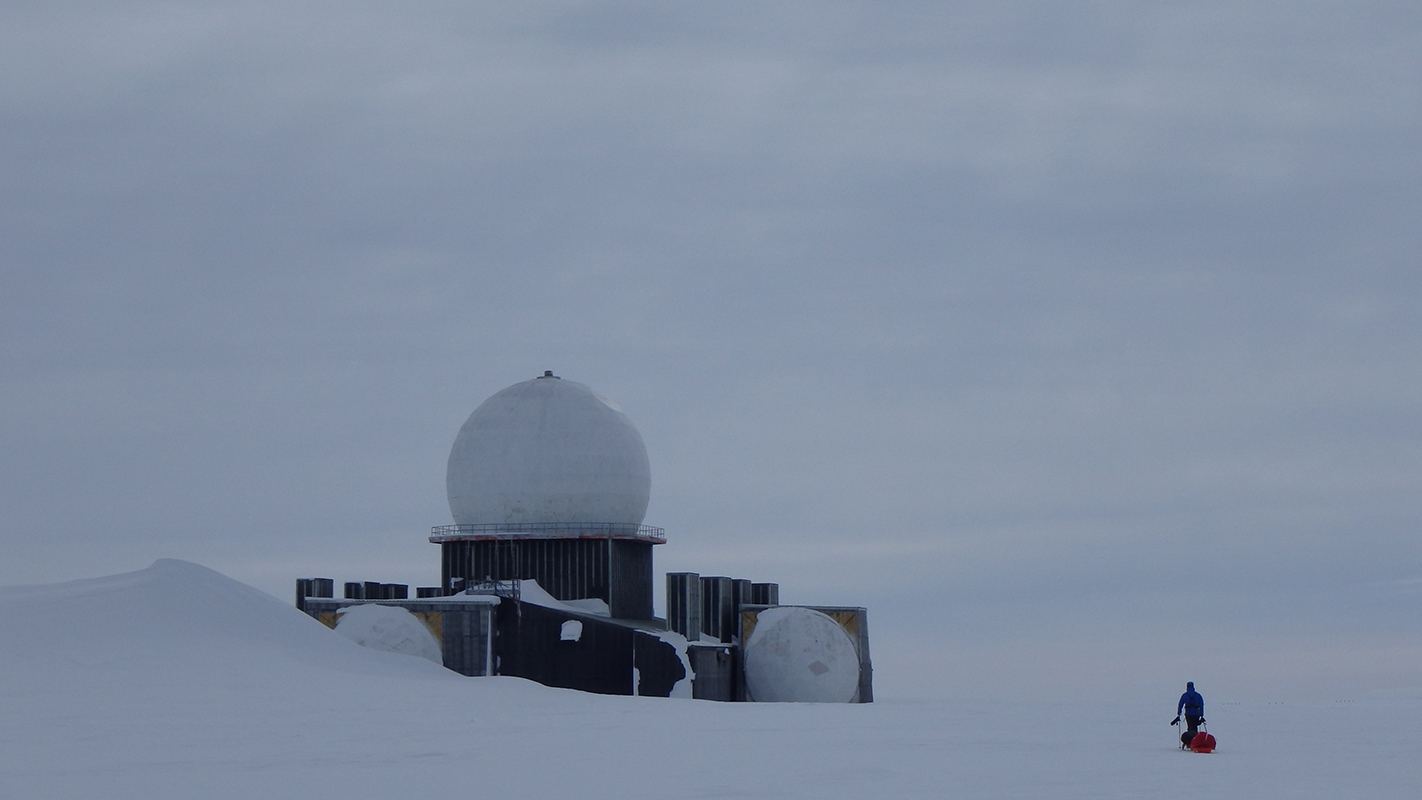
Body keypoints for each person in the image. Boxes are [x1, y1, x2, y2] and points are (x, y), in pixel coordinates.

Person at [1172, 681, 1205, 748]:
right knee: (1195, 727)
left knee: (1190, 727)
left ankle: (1189, 742)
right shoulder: (1198, 695)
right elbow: (1201, 704)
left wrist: (1179, 713)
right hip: (1196, 714)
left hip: (1188, 714)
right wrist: (1201, 714)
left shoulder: (1185, 695)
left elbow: (1180, 704)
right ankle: (1195, 741)